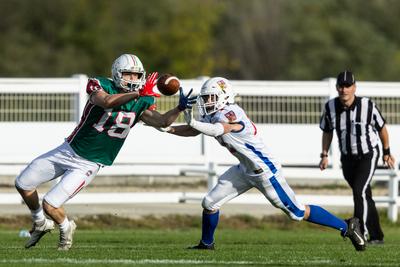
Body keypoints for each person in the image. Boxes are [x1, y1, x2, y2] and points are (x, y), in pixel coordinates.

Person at [15, 53, 196, 250]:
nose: (133, 79)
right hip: (69, 149)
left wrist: (179, 108)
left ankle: (66, 227)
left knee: (50, 204)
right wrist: (138, 94)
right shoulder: (100, 84)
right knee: (23, 183)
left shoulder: (143, 100)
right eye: (128, 74)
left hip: (90, 162)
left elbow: (162, 122)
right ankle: (40, 223)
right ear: (117, 74)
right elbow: (108, 101)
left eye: (136, 75)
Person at [164, 77, 366, 251]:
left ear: (223, 96)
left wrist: (192, 121)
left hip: (264, 171)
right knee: (209, 203)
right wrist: (167, 129)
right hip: (244, 169)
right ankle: (206, 244)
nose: (206, 101)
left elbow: (218, 129)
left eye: (210, 97)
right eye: (205, 98)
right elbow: (196, 130)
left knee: (296, 212)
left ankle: (347, 226)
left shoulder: (230, 113)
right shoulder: (213, 114)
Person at [319, 70, 395, 245]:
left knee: (359, 191)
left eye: (348, 86)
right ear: (337, 88)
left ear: (354, 87)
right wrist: (324, 154)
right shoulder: (331, 107)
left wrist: (386, 151)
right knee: (364, 195)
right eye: (341, 86)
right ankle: (377, 236)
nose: (344, 90)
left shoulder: (367, 105)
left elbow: (382, 127)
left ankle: (359, 230)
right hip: (347, 158)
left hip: (368, 154)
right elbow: (327, 131)